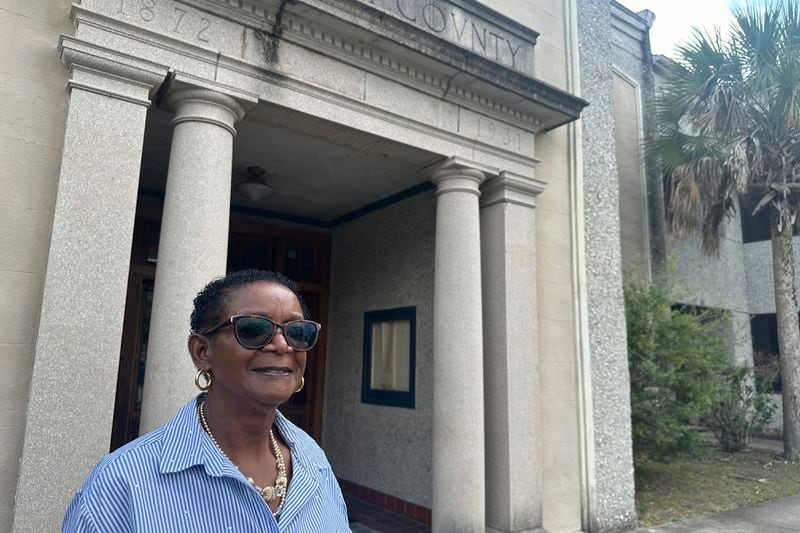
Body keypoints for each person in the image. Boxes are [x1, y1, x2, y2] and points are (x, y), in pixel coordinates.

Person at [63, 269, 351, 532]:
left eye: (297, 332)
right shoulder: (120, 483)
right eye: (253, 330)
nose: (282, 345)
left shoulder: (313, 461)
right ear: (202, 351)